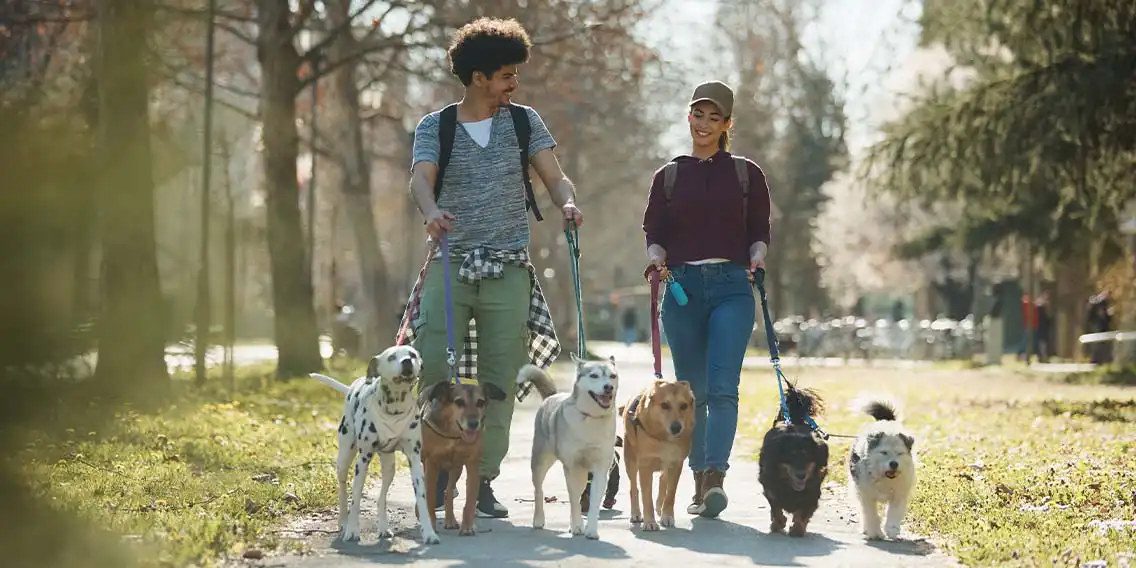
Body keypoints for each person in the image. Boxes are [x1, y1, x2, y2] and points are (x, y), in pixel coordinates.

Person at [400, 17, 584, 519]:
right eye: (506, 75)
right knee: (436, 367)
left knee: (499, 378)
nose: (513, 84)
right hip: (450, 261)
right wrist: (431, 212)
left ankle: (482, 479)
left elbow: (555, 178)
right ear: (479, 77)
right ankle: (437, 474)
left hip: (506, 266)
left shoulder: (524, 122)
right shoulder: (435, 127)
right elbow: (421, 180)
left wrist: (567, 203)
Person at [641, 80, 773, 518]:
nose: (704, 124)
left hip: (733, 288)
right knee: (689, 391)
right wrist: (656, 260)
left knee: (723, 389)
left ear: (726, 124)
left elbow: (759, 232)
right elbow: (654, 235)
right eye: (698, 114)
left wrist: (757, 258)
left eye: (714, 117)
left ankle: (714, 474)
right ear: (689, 116)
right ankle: (697, 480)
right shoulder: (669, 175)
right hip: (682, 290)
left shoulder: (746, 174)